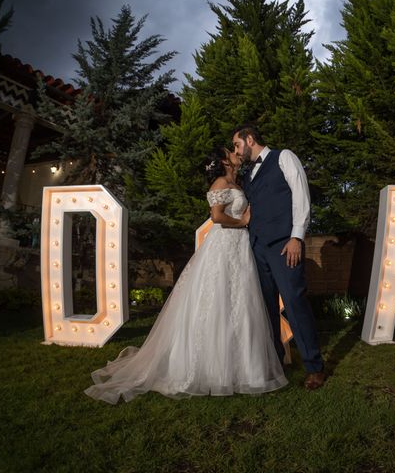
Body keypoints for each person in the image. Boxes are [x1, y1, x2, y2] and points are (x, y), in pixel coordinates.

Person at [85, 147, 287, 403]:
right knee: (218, 301)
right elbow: (216, 217)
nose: (237, 153)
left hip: (238, 249)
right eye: (231, 151)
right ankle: (210, 367)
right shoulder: (220, 183)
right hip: (224, 246)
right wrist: (243, 223)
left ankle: (243, 367)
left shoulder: (236, 182)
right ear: (224, 161)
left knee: (238, 302)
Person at [232, 124, 326, 390]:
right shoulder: (249, 174)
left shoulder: (284, 157)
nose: (237, 151)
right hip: (257, 248)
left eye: (238, 145)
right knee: (267, 309)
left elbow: (301, 196)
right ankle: (275, 365)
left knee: (295, 303)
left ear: (250, 139)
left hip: (285, 246)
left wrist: (296, 237)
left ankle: (314, 366)